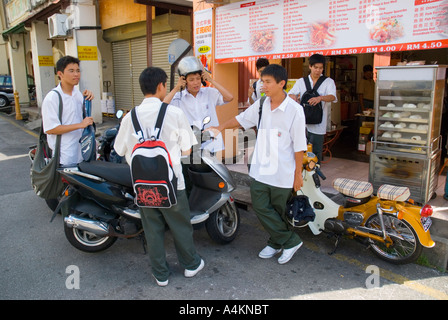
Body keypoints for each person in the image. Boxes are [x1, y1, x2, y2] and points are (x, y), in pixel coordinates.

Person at [209, 64, 307, 265]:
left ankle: (276, 241)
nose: (263, 86)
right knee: (261, 207)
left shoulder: (295, 111)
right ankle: (290, 241)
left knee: (280, 212)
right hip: (261, 169)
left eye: (268, 82)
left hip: (283, 172)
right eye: (262, 81)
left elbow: (299, 147)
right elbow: (240, 119)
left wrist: (298, 175)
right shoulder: (262, 104)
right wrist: (221, 127)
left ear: (282, 84)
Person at [114, 67, 204, 287]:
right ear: (161, 86)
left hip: (143, 185)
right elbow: (186, 150)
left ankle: (160, 274)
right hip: (173, 184)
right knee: (180, 225)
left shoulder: (129, 117)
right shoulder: (174, 113)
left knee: (152, 229)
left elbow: (118, 150)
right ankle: (191, 265)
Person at [164, 59, 233, 155]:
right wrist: (176, 88)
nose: (196, 83)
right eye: (191, 80)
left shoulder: (209, 92)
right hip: (190, 147)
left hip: (211, 144)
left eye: (198, 78)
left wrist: (211, 80)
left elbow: (229, 97)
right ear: (184, 80)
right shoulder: (178, 98)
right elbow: (162, 107)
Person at [41, 56, 94, 167]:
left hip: (81, 153)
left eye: (78, 71)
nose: (76, 74)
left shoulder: (78, 94)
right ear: (60, 74)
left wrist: (87, 100)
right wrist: (80, 125)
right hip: (64, 157)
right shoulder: (52, 98)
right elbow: (51, 129)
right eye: (71, 71)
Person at [288, 54, 337, 163]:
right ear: (310, 66)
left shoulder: (328, 82)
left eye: (320, 68)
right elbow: (290, 94)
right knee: (300, 150)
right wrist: (294, 97)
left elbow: (333, 97)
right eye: (315, 67)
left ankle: (315, 175)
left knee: (316, 152)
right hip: (302, 123)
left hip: (318, 124)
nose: (318, 70)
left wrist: (320, 98)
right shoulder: (301, 82)